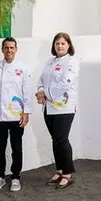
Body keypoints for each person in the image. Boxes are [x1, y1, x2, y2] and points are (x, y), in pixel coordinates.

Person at [0, 37, 33, 193]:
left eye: (12, 47)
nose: (9, 50)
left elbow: (27, 93)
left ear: (16, 49)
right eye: (6, 47)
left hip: (17, 116)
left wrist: (26, 112)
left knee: (17, 148)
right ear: (2, 50)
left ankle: (16, 177)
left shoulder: (23, 68)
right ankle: (0, 176)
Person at [36, 32, 80, 189]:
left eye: (63, 43)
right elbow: (41, 80)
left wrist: (46, 94)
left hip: (64, 107)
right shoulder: (49, 62)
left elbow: (64, 84)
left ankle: (68, 174)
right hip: (48, 107)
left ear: (68, 45)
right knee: (55, 140)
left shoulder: (72, 62)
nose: (60, 46)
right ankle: (60, 169)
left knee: (62, 139)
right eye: (57, 43)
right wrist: (40, 92)